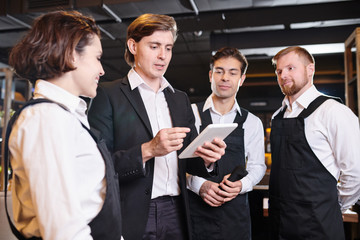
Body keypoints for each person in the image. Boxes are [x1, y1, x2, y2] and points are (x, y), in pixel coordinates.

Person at [87, 13, 226, 240]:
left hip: (178, 210)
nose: (163, 56)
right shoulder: (107, 95)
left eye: (168, 48)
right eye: (154, 46)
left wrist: (208, 159)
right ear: (133, 45)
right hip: (131, 214)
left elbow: (188, 160)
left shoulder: (179, 99)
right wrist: (149, 150)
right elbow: (98, 166)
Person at [7, 11, 122, 240]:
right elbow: (63, 231)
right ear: (71, 55)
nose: (102, 70)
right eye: (97, 57)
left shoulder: (63, 116)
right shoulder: (46, 119)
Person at [268, 46, 360, 240]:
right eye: (279, 71)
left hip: (319, 226)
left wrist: (332, 207)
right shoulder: (277, 116)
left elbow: (355, 173)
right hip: (279, 225)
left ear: (310, 69)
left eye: (291, 68)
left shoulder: (334, 112)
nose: (283, 75)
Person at [186, 47, 266, 240]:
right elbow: (174, 164)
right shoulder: (189, 114)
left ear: (242, 79)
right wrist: (199, 185)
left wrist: (241, 185)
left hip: (235, 217)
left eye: (233, 72)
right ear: (210, 75)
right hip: (195, 216)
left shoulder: (252, 122)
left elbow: (257, 166)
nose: (225, 78)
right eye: (219, 71)